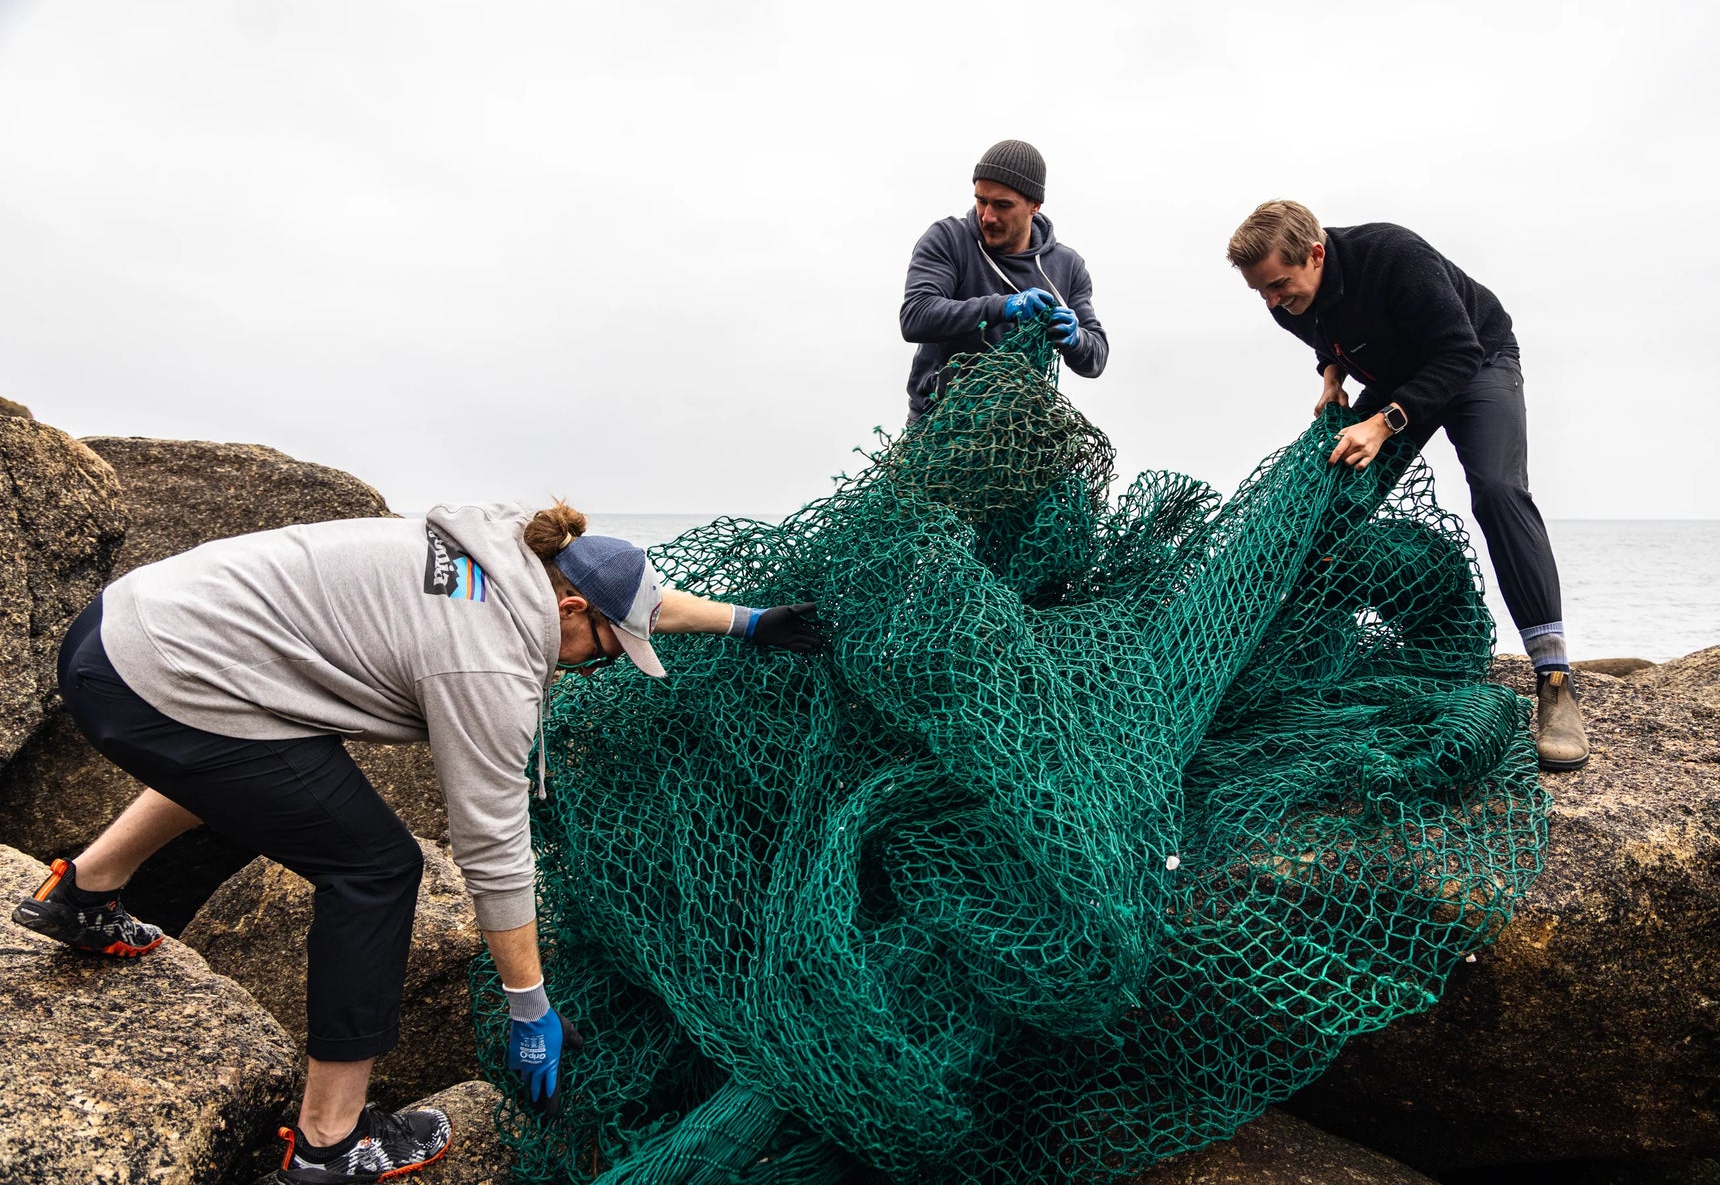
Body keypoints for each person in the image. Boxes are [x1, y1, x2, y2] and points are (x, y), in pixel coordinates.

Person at [10, 500, 821, 1183]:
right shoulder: (488, 666)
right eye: (606, 655)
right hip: (156, 678)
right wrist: (529, 1006)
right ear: (571, 609)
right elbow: (493, 848)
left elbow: (629, 598)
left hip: (126, 626)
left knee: (256, 749)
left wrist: (747, 621)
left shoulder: (512, 550)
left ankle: (84, 893)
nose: (591, 670)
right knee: (376, 870)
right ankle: (331, 1143)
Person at [1226, 200, 1588, 771]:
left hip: (1476, 362)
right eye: (1260, 292)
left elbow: (1459, 352)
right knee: (1327, 498)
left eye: (1278, 286)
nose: (1272, 302)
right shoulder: (1284, 301)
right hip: (1398, 377)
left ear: (1316, 254)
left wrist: (1383, 422)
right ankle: (1292, 659)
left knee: (1496, 490)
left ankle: (1554, 678)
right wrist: (1332, 377)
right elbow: (1327, 332)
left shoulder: (1393, 256)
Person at [900, 139, 1109, 424]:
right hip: (937, 425)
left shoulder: (1067, 267)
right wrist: (1005, 306)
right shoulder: (948, 240)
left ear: (1034, 205)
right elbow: (916, 316)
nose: (987, 216)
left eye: (1002, 205)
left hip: (1019, 432)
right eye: (981, 200)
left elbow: (1096, 358)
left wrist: (1077, 339)